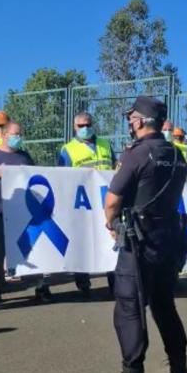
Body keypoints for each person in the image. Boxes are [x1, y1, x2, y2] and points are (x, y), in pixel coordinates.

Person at [104, 96, 187, 373]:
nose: (130, 123)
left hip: (138, 241)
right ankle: (179, 367)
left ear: (140, 121)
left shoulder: (137, 154)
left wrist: (111, 222)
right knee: (165, 305)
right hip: (169, 239)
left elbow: (112, 201)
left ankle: (133, 368)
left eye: (131, 119)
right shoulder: (177, 155)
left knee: (130, 308)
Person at [0, 122, 52, 305]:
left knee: (32, 249)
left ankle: (40, 286)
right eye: (16, 134)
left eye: (20, 134)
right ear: (5, 135)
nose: (19, 137)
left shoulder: (24, 156)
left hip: (24, 212)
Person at [59, 111, 116, 298]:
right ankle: (83, 283)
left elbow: (115, 170)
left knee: (111, 241)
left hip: (106, 202)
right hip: (82, 204)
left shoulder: (105, 144)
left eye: (88, 124)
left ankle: (115, 283)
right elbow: (62, 177)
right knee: (82, 243)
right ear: (75, 127)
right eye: (81, 126)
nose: (85, 128)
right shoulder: (67, 149)